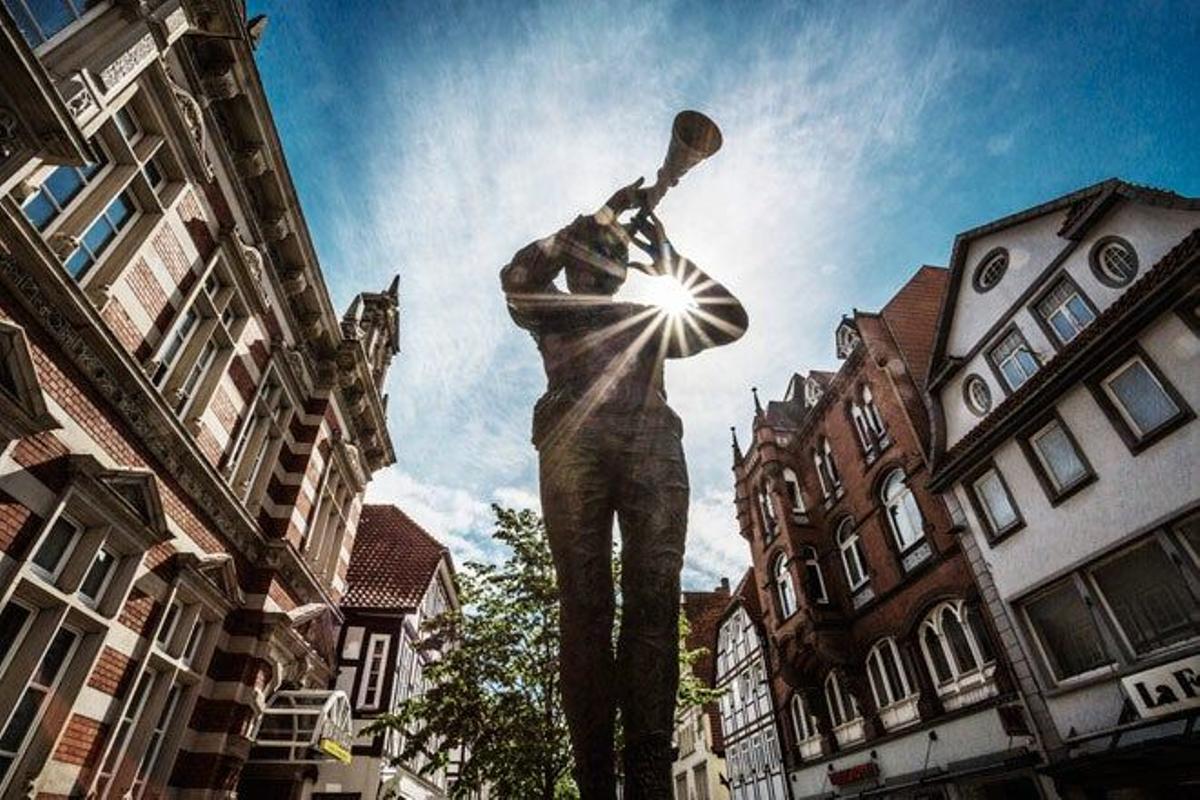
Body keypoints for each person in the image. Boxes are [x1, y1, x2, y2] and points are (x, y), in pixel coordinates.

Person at [499, 178, 747, 798]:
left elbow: (729, 320)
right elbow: (517, 274)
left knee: (655, 603)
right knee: (584, 602)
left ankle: (647, 776)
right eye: (594, 252)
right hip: (572, 441)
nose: (603, 262)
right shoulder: (551, 310)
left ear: (619, 274)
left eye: (611, 256)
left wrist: (669, 259)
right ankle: (594, 781)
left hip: (652, 447)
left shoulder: (647, 321)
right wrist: (597, 214)